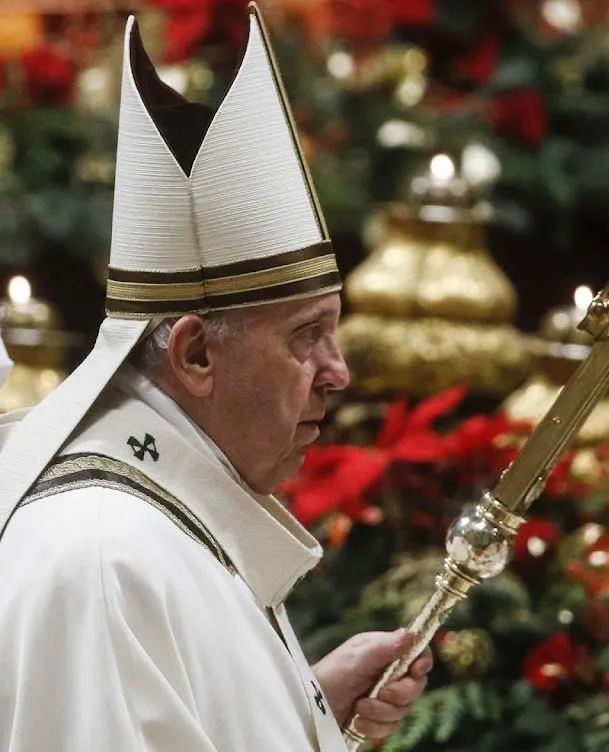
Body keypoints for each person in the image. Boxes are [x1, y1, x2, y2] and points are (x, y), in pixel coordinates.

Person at [0, 4, 431, 751]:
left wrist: (305, 711)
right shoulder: (104, 555)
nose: (340, 372)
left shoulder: (158, 512)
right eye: (308, 337)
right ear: (195, 355)